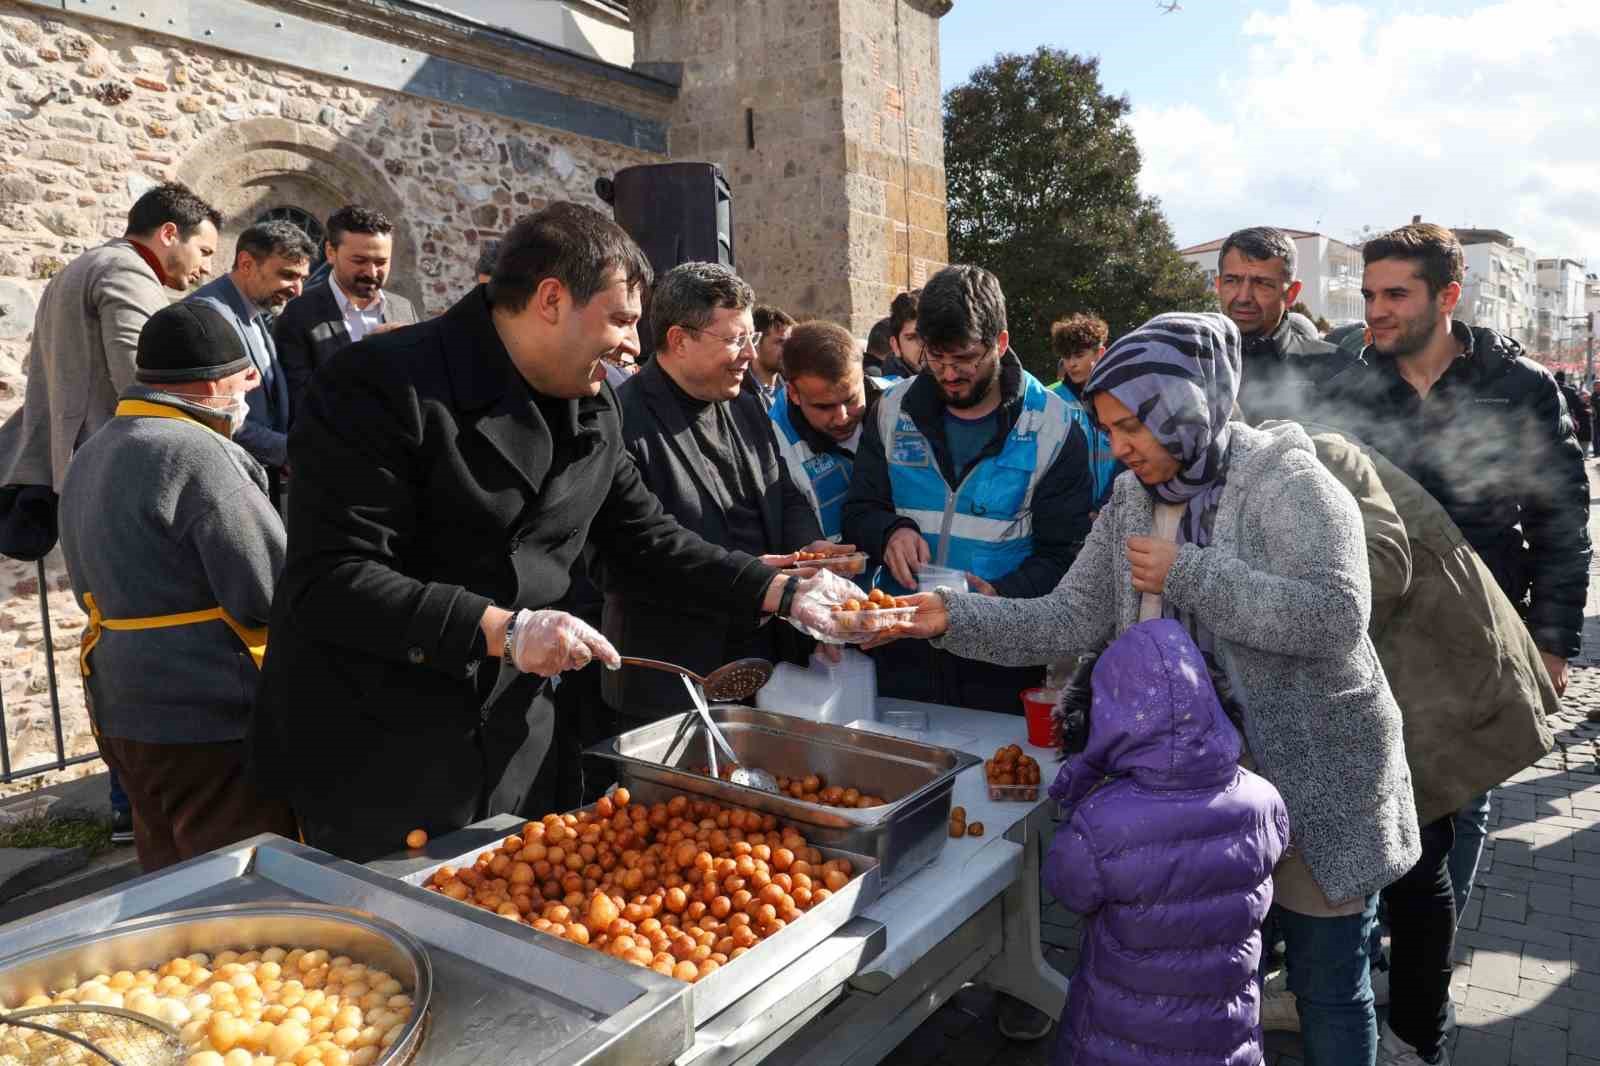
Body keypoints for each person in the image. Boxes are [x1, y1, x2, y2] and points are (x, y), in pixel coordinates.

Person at [883, 312, 1421, 1065]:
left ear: (1189, 403)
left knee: (1330, 981)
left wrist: (1189, 573)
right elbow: (1067, 617)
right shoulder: (1137, 498)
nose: (1119, 448)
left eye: (1133, 425)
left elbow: (1334, 617)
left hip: (1316, 778)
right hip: (1211, 805)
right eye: (1108, 428)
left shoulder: (1288, 480)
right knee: (1231, 981)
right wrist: (944, 617)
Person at [250, 205, 851, 861]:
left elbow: (643, 539)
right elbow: (334, 579)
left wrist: (779, 592)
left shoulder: (591, 409)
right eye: (621, 320)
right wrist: (502, 630)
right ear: (551, 299)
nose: (633, 346)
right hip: (380, 745)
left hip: (516, 737)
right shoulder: (377, 384)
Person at [1323, 225, 1591, 966]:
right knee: (1378, 792)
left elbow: (1563, 521)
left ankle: (1422, 958)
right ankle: (1383, 942)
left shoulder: (1519, 386)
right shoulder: (1347, 382)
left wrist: (1552, 641)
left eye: (1395, 294)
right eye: (1370, 293)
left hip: (1482, 630)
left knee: (1463, 793)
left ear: (1447, 296)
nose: (1376, 310)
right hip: (1373, 632)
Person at [58, 302, 296, 871]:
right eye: (245, 372)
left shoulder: (92, 452)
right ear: (213, 383)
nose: (255, 382)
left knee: (167, 872)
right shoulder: (199, 452)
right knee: (240, 886)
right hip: (206, 708)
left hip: (125, 704)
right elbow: (268, 588)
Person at [843, 264, 1091, 719]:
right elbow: (860, 508)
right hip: (902, 649)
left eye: (964, 359)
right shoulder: (891, 410)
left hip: (1001, 659)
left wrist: (997, 594)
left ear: (999, 342)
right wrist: (890, 531)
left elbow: (1068, 557)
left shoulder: (1055, 426)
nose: (949, 375)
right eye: (935, 360)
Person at [1045, 620, 1289, 1066]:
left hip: (1119, 1045)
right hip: (1225, 1040)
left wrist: (1082, 780)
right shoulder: (1263, 799)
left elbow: (1068, 886)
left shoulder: (1101, 822)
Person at [602, 263, 831, 722]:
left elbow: (783, 492)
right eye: (733, 339)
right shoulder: (622, 421)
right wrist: (759, 582)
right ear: (679, 340)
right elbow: (649, 547)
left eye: (750, 338)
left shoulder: (746, 407)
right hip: (674, 678)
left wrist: (811, 549)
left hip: (766, 665)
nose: (749, 354)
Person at [0, 182, 220, 506]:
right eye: (204, 251)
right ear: (169, 233)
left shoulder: (80, 266)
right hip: (107, 472)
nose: (207, 268)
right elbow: (142, 379)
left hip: (68, 468)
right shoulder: (128, 271)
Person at [188, 221, 317, 508]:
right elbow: (213, 410)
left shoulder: (256, 310)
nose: (297, 290)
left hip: (255, 480)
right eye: (287, 275)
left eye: (303, 279)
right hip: (222, 487)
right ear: (246, 263)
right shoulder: (207, 315)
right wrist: (288, 451)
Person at [275, 205, 418, 420]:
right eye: (359, 261)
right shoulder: (299, 314)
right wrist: (366, 356)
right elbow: (301, 401)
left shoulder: (403, 309)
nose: (371, 272)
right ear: (331, 253)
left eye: (381, 262)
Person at [1214, 226, 1355, 424]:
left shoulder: (1336, 367)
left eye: (1262, 283)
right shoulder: (1190, 362)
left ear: (1291, 294)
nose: (1244, 296)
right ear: (1218, 285)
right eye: (1232, 281)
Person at [770, 320, 890, 542]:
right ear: (793, 394)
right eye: (824, 407)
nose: (842, 417)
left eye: (851, 399)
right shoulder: (772, 443)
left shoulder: (897, 405)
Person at [1047, 313, 1119, 512]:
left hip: (1112, 511)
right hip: (1067, 514)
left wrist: (1105, 506)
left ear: (1100, 353)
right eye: (1067, 356)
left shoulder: (1121, 399)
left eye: (1079, 355)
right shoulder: (1049, 400)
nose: (1071, 364)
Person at [749, 304, 795, 410]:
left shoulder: (795, 390)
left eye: (789, 343)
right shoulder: (734, 394)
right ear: (756, 342)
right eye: (780, 342)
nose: (788, 349)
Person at [880, 290, 923, 378]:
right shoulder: (890, 389)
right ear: (895, 345)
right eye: (912, 338)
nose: (922, 345)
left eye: (929, 335)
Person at [1555, 371, 1592, 453]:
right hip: (1567, 418)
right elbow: (1577, 407)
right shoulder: (1571, 390)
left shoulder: (1551, 389)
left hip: (1552, 417)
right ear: (1564, 379)